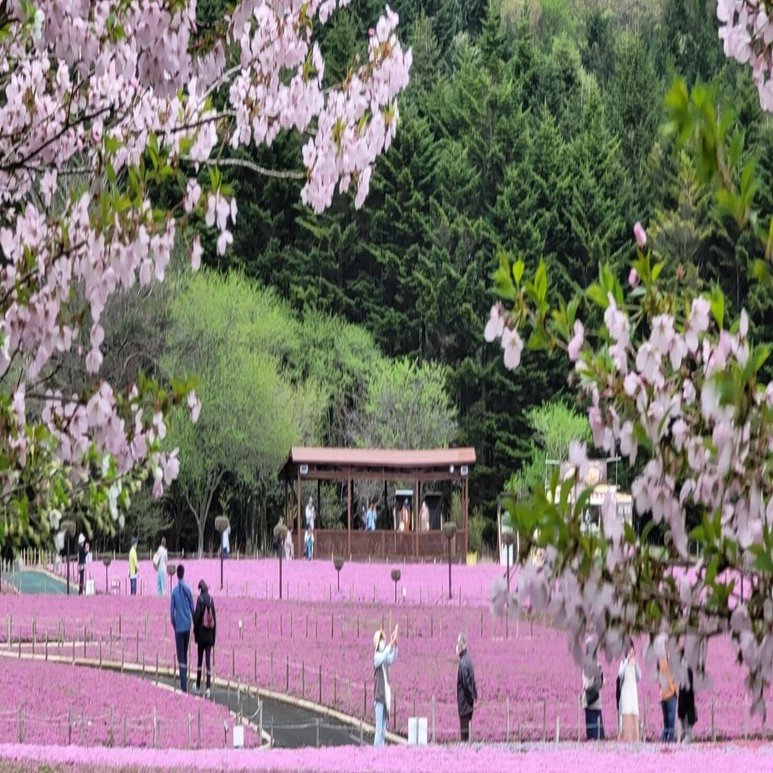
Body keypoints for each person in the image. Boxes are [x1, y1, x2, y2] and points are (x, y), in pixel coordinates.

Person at [170, 564, 195, 693]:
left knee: (181, 656)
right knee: (185, 653)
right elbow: (192, 608)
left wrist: (174, 624)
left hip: (179, 627)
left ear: (176, 575)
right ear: (183, 574)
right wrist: (193, 624)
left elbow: (171, 613)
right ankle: (185, 680)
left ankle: (183, 684)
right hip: (187, 626)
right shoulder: (188, 590)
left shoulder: (174, 592)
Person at [373, 624, 398, 746]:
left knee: (383, 728)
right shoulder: (377, 657)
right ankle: (376, 750)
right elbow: (383, 656)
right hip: (379, 696)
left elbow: (392, 658)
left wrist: (395, 644)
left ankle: (382, 750)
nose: (383, 642)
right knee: (379, 728)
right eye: (382, 640)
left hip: (385, 696)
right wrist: (391, 644)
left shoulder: (384, 658)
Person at [192, 579, 216, 698]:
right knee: (208, 661)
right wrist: (213, 639)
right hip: (209, 636)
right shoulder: (211, 600)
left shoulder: (200, 600)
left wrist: (195, 632)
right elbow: (215, 621)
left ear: (200, 589)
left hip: (201, 636)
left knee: (200, 661)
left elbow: (196, 618)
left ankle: (197, 685)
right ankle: (208, 688)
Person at [581, 636, 605, 740]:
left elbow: (600, 682)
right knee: (594, 730)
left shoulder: (595, 663)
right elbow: (588, 683)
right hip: (591, 698)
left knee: (595, 731)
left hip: (594, 699)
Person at [456, 633, 478, 741]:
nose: (456, 646)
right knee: (466, 729)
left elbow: (467, 682)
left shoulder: (464, 662)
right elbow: (472, 681)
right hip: (468, 701)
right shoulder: (467, 659)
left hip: (465, 702)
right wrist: (475, 696)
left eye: (458, 643)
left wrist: (472, 696)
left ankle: (464, 749)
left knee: (464, 731)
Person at [618, 641, 641, 742]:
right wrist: (627, 661)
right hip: (626, 693)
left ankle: (635, 737)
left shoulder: (635, 663)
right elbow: (620, 674)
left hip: (633, 693)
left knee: (633, 711)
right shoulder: (623, 662)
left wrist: (635, 665)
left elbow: (639, 677)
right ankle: (626, 737)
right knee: (627, 711)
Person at [677, 649, 697, 743]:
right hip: (685, 707)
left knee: (688, 734)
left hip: (686, 707)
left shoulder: (686, 671)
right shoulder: (685, 670)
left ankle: (683, 749)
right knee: (686, 733)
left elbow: (687, 691)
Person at [658, 650, 678, 742]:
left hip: (664, 693)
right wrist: (674, 689)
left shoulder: (662, 660)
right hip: (669, 693)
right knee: (670, 717)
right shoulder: (668, 661)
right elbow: (669, 677)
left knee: (667, 718)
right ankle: (669, 737)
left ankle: (665, 736)